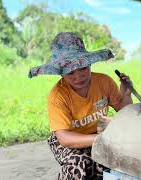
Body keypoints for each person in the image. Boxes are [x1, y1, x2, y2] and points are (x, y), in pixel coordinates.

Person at [28, 32, 133, 179]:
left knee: (109, 163)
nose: (79, 77)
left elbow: (125, 115)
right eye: (70, 72)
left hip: (96, 133)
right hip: (66, 139)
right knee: (79, 163)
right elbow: (64, 138)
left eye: (83, 68)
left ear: (89, 63)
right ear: (61, 74)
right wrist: (101, 139)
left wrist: (127, 93)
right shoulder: (57, 96)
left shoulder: (104, 82)